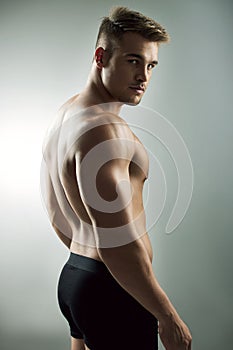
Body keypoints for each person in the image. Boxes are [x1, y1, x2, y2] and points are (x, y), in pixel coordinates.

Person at [41, 6, 192, 350]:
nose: (144, 76)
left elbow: (56, 212)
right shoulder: (105, 133)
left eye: (151, 65)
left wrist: (85, 267)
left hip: (76, 277)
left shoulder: (67, 112)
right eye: (133, 61)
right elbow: (116, 242)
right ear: (101, 56)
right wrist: (167, 315)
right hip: (112, 290)